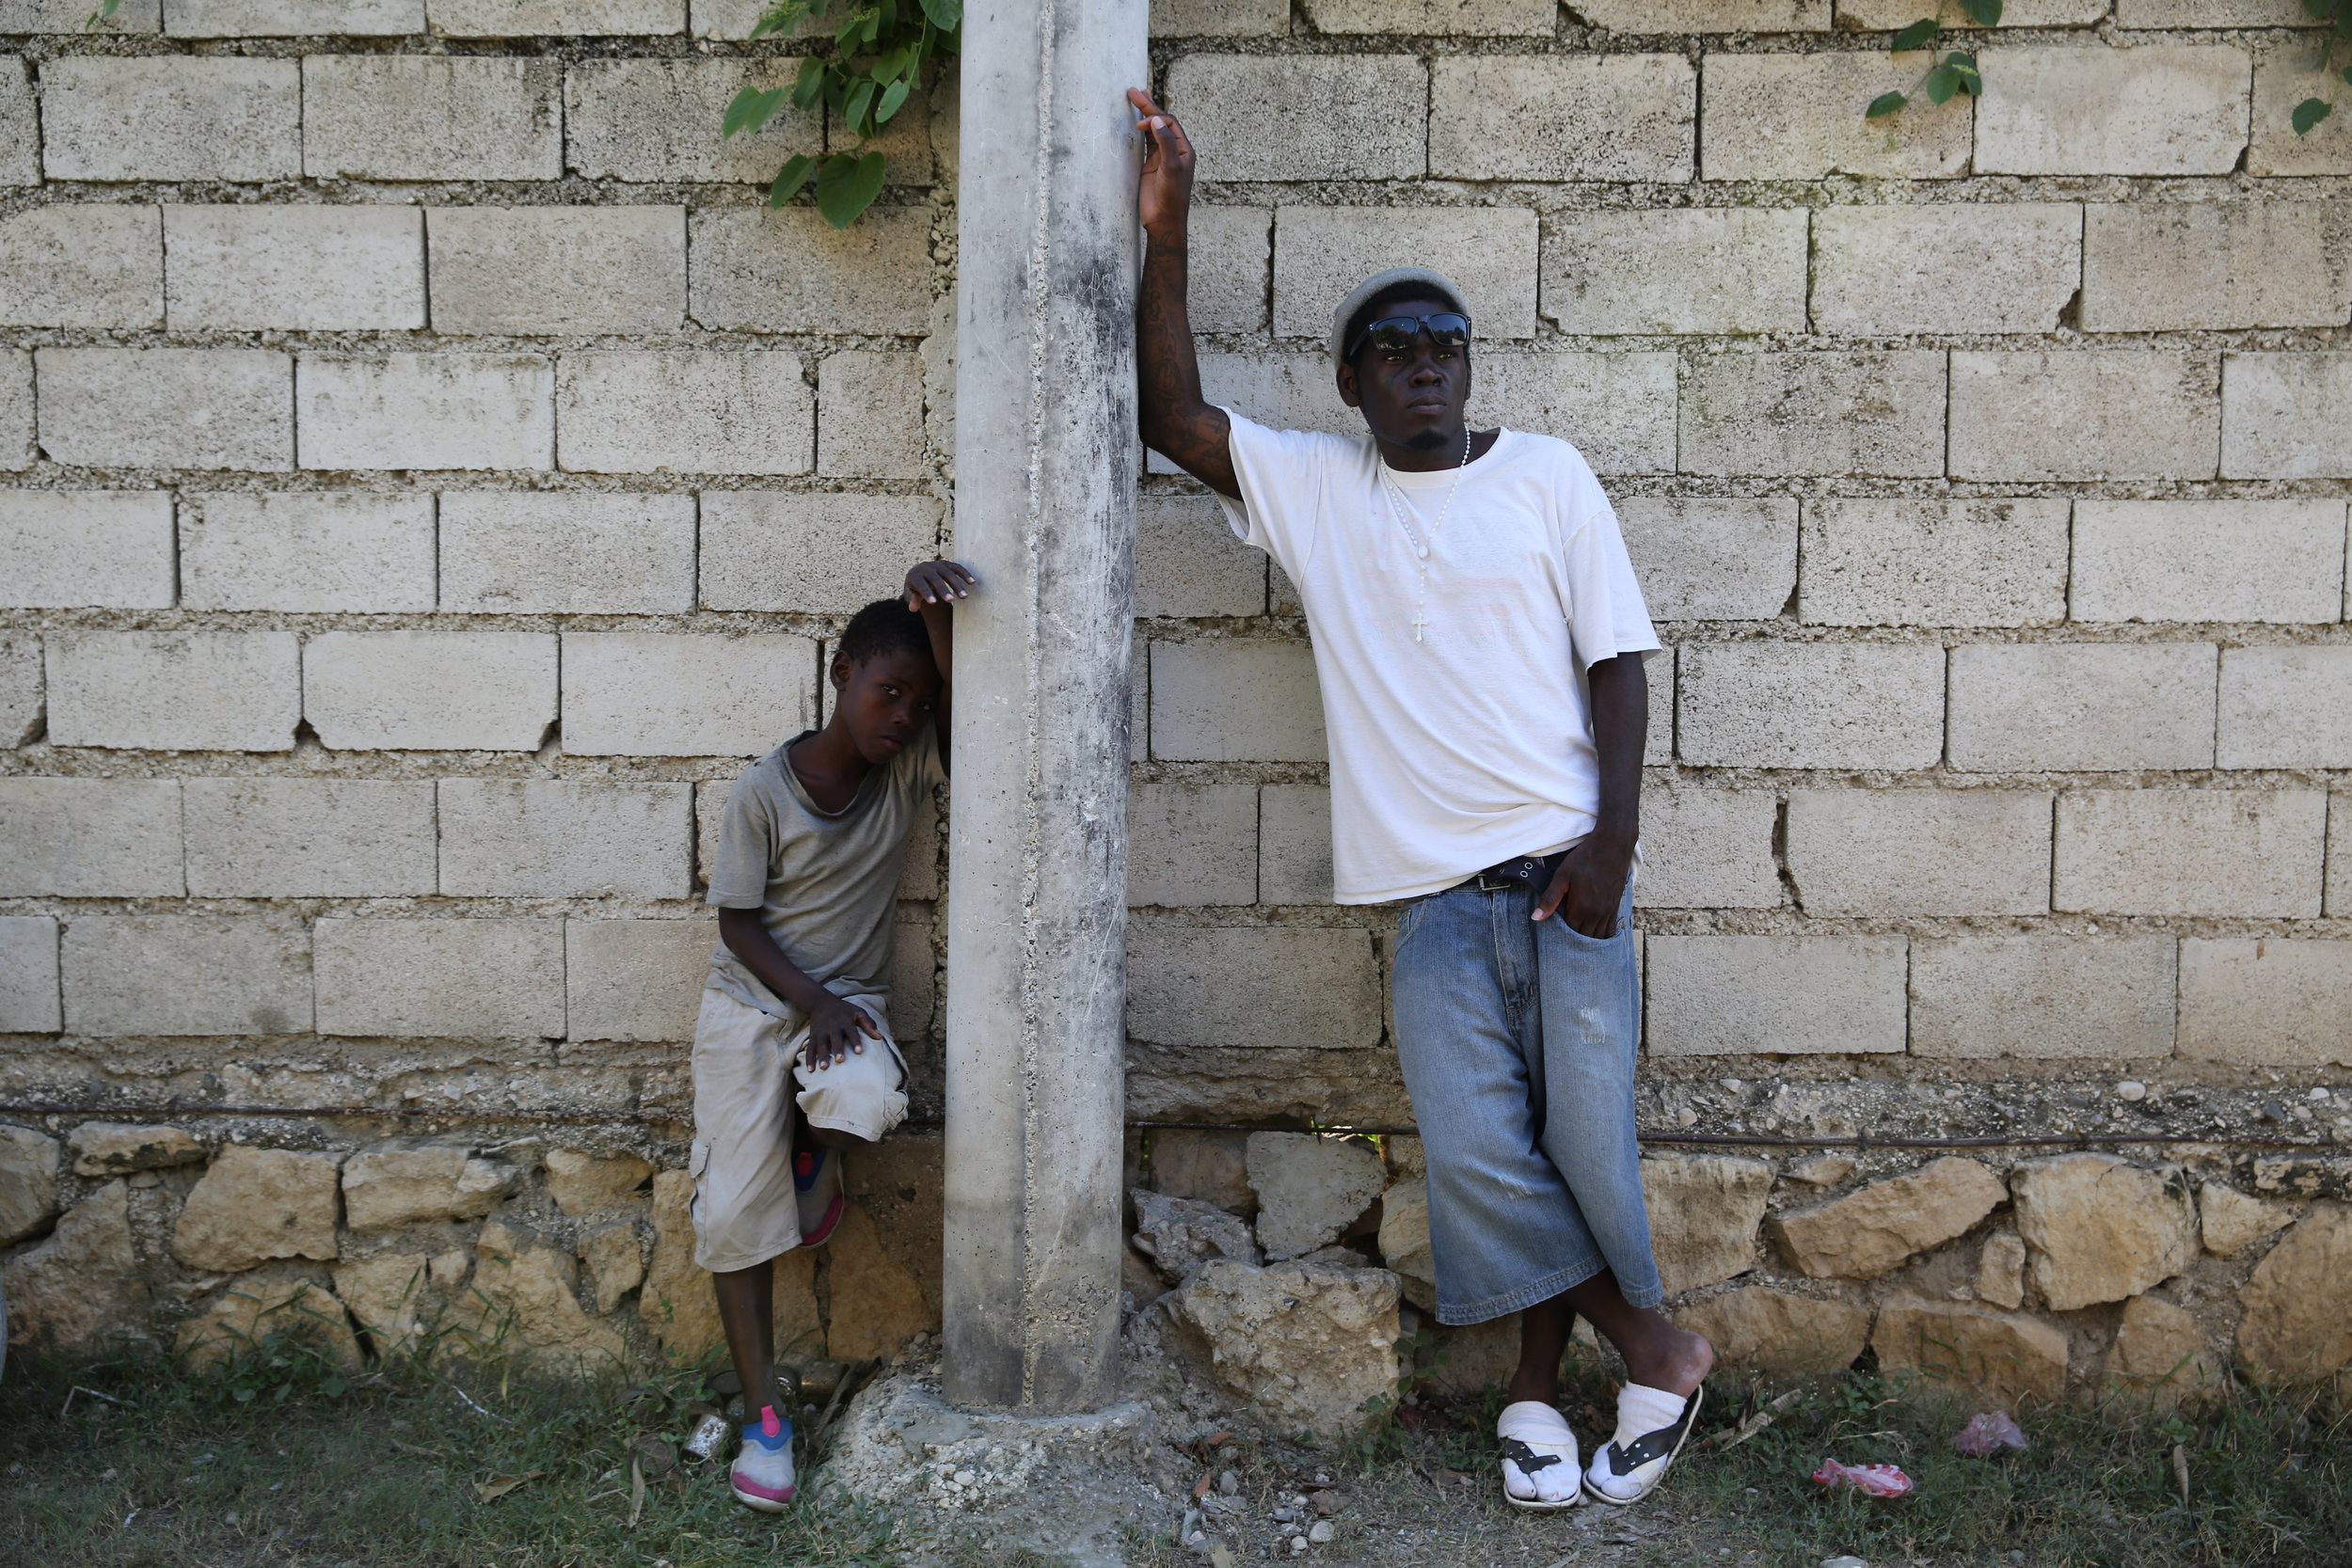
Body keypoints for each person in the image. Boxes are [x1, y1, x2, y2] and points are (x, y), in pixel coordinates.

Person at [1125, 87, 1713, 1511]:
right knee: (1478, 1152)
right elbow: (1171, 413)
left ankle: (1534, 1389)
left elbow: (1620, 663)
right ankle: (1654, 1347)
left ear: (1470, 367)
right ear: (1352, 387)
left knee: (1585, 1150)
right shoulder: (1326, 492)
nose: (1422, 369)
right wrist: (1170, 230)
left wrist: (1613, 845)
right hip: (1436, 904)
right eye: (1390, 352)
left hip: (1572, 881)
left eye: (1443, 347)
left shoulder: (1550, 478)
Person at [691, 557, 975, 1512]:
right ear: (840, 675)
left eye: (916, 700)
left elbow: (974, 733)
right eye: (886, 690)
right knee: (734, 1213)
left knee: (861, 1100)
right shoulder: (763, 793)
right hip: (751, 1003)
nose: (900, 715)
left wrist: (937, 622)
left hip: (844, 1005)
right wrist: (805, 1001)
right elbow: (735, 921)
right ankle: (765, 1419)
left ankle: (815, 1157)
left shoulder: (906, 774)